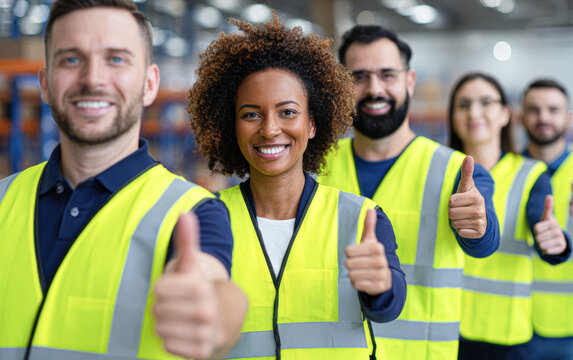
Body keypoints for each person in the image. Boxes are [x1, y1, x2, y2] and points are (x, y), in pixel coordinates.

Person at [0, 1, 247, 359]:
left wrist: (214, 313)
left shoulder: (190, 214)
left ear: (149, 84)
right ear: (45, 85)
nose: (92, 79)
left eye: (115, 59)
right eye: (71, 59)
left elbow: (215, 291)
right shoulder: (3, 200)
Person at [187, 13, 407, 360]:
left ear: (312, 124)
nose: (270, 129)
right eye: (250, 114)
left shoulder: (361, 218)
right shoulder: (206, 220)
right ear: (231, 126)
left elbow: (387, 309)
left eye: (287, 112)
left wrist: (381, 287)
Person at [317, 25, 501, 360]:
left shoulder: (456, 172)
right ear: (340, 87)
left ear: (410, 81)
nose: (374, 89)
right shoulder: (313, 168)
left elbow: (484, 241)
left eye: (388, 75)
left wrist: (478, 225)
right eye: (359, 77)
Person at [447, 72, 570, 360]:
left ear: (505, 114)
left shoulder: (531, 174)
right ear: (452, 115)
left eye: (485, 102)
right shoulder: (433, 168)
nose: (474, 112)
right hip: (443, 323)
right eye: (463, 104)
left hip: (505, 336)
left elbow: (541, 225)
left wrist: (555, 242)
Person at [520, 79, 573, 360]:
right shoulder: (505, 171)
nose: (543, 118)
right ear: (520, 117)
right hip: (512, 325)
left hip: (567, 328)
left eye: (553, 110)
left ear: (568, 118)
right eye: (534, 109)